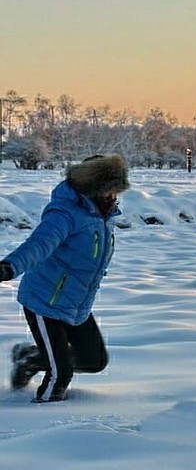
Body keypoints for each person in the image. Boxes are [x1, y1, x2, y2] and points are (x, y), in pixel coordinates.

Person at [0, 154, 130, 402]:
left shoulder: (102, 217)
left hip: (75, 303)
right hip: (44, 301)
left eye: (116, 193)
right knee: (60, 374)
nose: (113, 199)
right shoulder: (65, 214)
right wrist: (9, 267)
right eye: (109, 192)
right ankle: (43, 422)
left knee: (94, 361)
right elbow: (39, 245)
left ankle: (29, 358)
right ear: (93, 188)